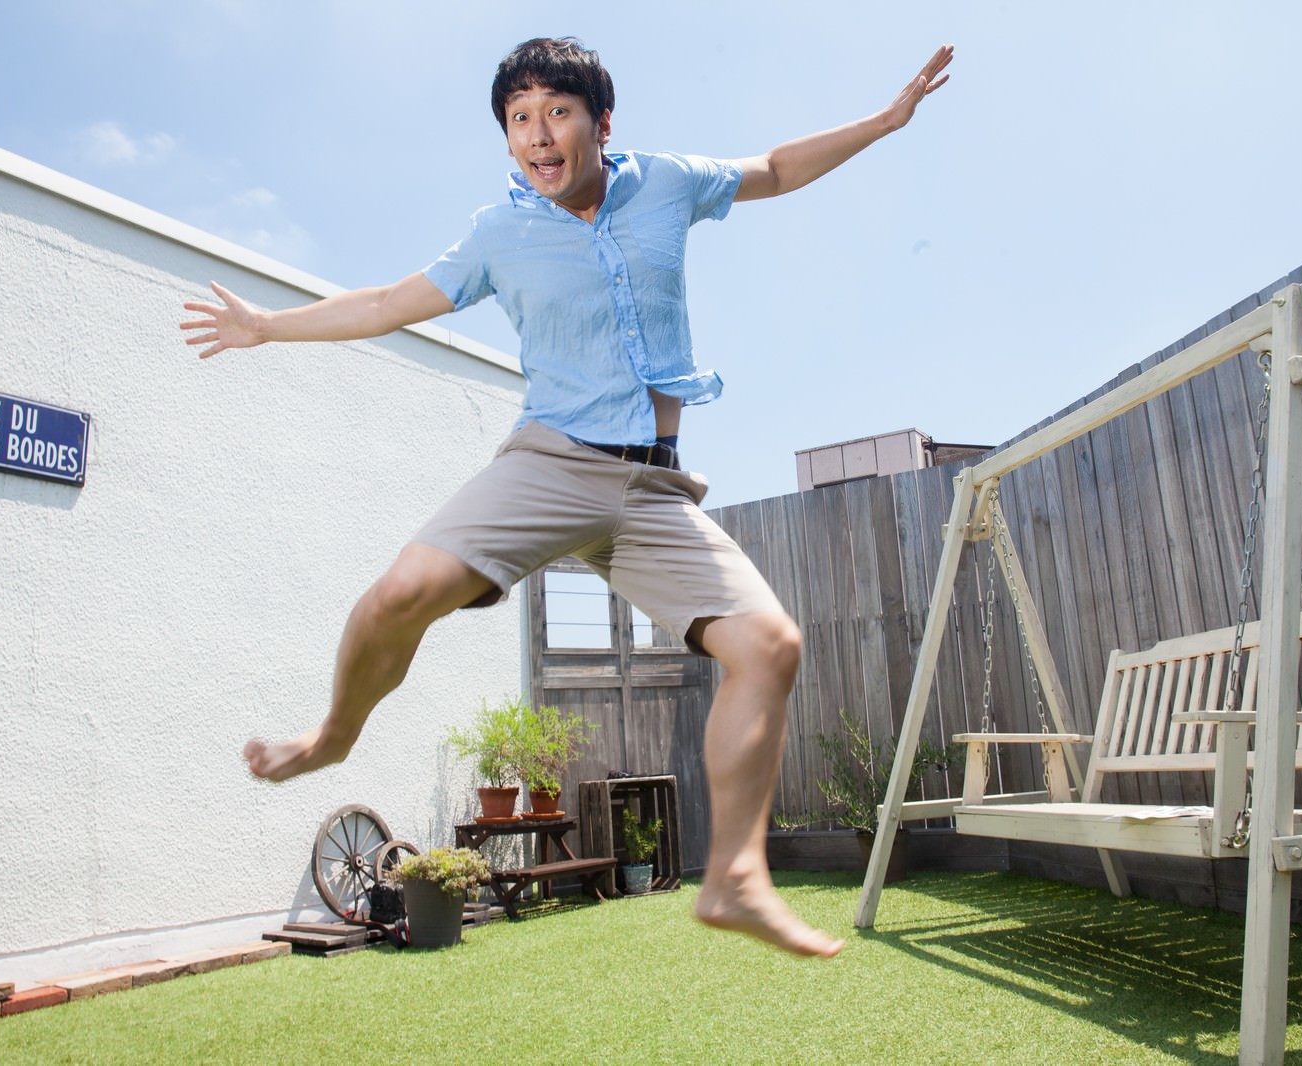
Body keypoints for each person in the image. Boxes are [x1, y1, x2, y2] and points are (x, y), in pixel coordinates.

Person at [181, 36, 953, 958]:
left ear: (601, 123)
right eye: (519, 120)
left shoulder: (664, 182)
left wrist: (886, 119)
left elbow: (778, 169)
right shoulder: (499, 234)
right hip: (549, 464)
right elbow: (388, 301)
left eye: (557, 112)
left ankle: (736, 875)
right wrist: (268, 326)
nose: (538, 135)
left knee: (770, 645)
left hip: (653, 486)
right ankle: (332, 736)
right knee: (397, 596)